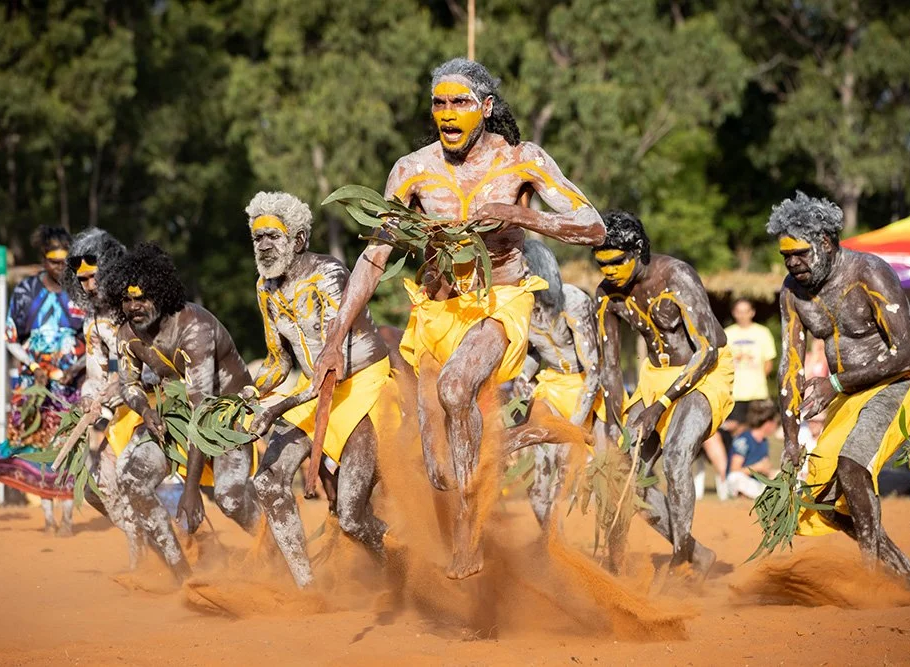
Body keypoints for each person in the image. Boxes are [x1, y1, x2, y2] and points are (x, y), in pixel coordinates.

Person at [311, 58, 605, 579]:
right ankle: (512, 453)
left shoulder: (522, 160)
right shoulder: (411, 169)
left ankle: (469, 540)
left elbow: (594, 227)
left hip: (500, 306)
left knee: (456, 386)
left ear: (486, 109)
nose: (447, 113)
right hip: (433, 314)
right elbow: (374, 255)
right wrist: (335, 338)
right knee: (440, 473)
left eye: (460, 102)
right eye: (439, 103)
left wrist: (523, 216)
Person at [770, 191, 910, 597]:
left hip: (904, 379)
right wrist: (791, 439)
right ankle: (906, 573)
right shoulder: (793, 292)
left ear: (826, 242)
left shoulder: (870, 273)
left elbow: (908, 352)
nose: (793, 263)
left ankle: (870, 581)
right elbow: (789, 367)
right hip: (849, 391)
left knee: (851, 464)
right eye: (786, 255)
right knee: (820, 498)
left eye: (800, 253)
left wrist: (837, 384)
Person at [241, 191, 395, 588]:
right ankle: (308, 588)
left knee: (351, 517)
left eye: (273, 236)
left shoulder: (328, 274)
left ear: (299, 240)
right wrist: (250, 393)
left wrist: (275, 410)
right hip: (315, 393)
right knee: (266, 480)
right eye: (257, 238)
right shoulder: (265, 288)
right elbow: (279, 363)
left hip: (360, 387)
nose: (263, 246)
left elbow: (333, 366)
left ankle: (402, 569)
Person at [102, 243, 260, 580]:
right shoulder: (127, 335)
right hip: (175, 418)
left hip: (225, 418)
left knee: (230, 499)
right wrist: (145, 410)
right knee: (130, 478)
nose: (134, 307)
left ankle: (276, 548)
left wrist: (190, 492)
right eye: (127, 300)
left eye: (142, 297)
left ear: (161, 292)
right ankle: (181, 576)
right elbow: (129, 385)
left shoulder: (194, 328)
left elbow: (201, 412)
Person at [594, 210, 734, 579]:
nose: (608, 272)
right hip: (654, 377)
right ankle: (694, 551)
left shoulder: (676, 276)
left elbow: (707, 350)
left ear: (638, 251)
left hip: (704, 373)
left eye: (616, 263)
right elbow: (608, 368)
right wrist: (613, 421)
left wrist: (659, 407)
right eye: (601, 264)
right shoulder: (607, 296)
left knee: (674, 457)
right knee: (619, 472)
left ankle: (682, 561)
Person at [0, 225, 84, 534]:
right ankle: (48, 518)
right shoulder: (26, 291)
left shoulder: (80, 293)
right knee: (38, 450)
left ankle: (67, 519)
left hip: (69, 389)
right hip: (32, 387)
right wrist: (34, 365)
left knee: (67, 449)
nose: (61, 268)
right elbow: (10, 337)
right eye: (54, 261)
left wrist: (77, 369)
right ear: (43, 259)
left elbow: (91, 338)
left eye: (66, 261)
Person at [61, 228, 146, 567]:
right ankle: (148, 550)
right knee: (99, 488)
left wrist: (117, 387)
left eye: (93, 277)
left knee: (128, 476)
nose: (87, 285)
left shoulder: (136, 305)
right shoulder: (93, 323)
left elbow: (148, 366)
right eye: (81, 280)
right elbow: (96, 375)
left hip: (153, 407)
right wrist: (88, 398)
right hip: (123, 415)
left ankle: (150, 555)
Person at [514, 239, 602, 527]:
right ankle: (549, 540)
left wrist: (576, 427)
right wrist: (523, 378)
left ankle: (558, 545)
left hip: (583, 389)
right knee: (536, 467)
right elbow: (534, 351)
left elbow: (594, 369)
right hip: (549, 385)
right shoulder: (520, 305)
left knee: (566, 461)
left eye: (521, 266)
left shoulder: (573, 301)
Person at [725, 400, 779, 499]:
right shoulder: (744, 439)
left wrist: (768, 470)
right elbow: (734, 469)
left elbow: (765, 466)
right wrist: (757, 468)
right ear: (768, 423)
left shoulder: (764, 441)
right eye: (775, 423)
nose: (775, 426)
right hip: (741, 480)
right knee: (735, 478)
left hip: (755, 482)